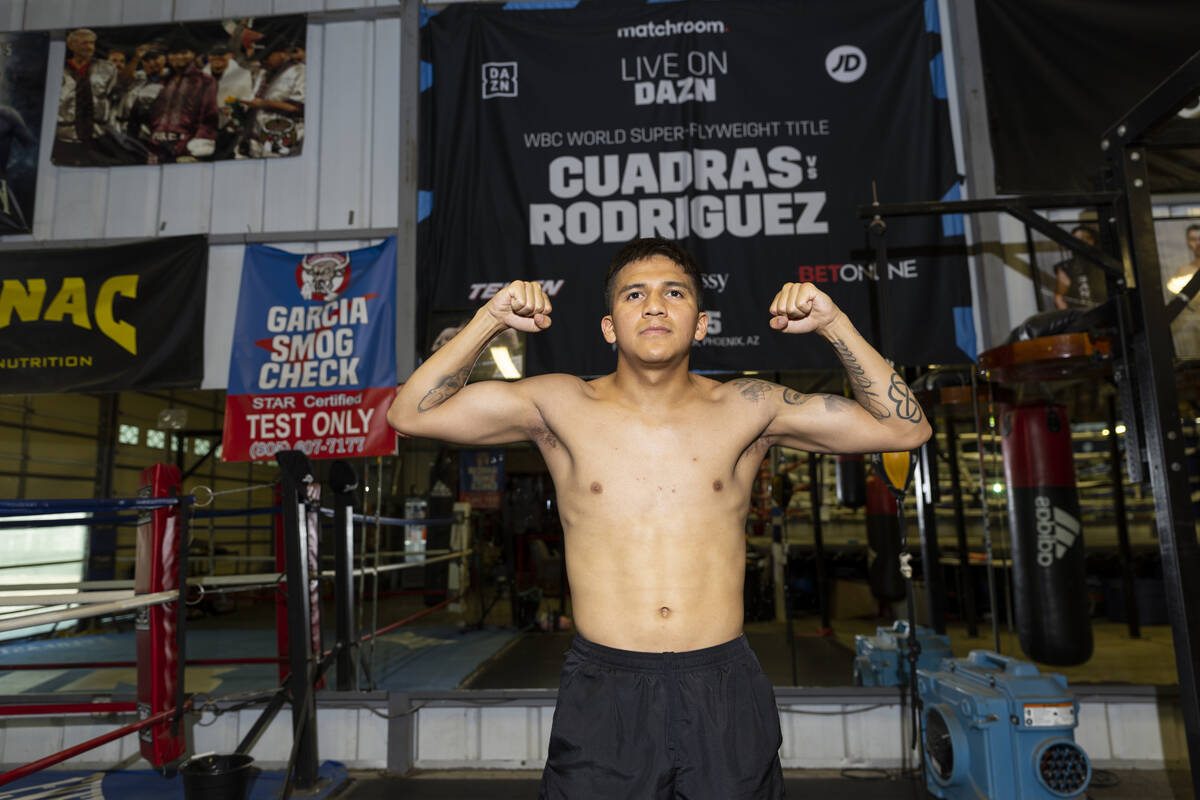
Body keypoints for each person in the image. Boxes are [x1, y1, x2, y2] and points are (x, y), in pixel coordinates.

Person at [387, 237, 931, 799]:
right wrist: (489, 320)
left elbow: (906, 429)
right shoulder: (558, 404)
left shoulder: (751, 406)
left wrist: (834, 322)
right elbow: (409, 413)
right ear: (608, 325)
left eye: (674, 293)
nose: (654, 306)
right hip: (605, 691)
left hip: (722, 687)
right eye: (634, 294)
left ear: (700, 324)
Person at [53, 28, 119, 165]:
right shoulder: (56, 68)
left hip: (97, 135)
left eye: (92, 43)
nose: (89, 47)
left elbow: (112, 98)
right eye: (84, 43)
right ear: (71, 46)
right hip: (66, 135)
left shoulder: (108, 68)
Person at [146, 40, 219, 163]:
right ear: (168, 57)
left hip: (186, 150)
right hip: (155, 148)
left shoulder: (205, 81)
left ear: (193, 54)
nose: (179, 57)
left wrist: (194, 151)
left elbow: (209, 118)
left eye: (184, 52)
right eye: (174, 53)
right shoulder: (161, 82)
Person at [240, 38, 304, 158]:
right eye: (260, 57)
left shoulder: (299, 72)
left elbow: (300, 108)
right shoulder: (263, 73)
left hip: (286, 141)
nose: (262, 61)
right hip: (257, 142)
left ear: (282, 53)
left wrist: (264, 104)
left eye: (266, 57)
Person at [1052, 225, 1106, 310]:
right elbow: (1059, 297)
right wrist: (1073, 321)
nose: (1081, 242)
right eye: (1077, 240)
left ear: (1092, 240)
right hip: (1085, 318)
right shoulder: (1067, 267)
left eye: (1085, 238)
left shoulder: (1106, 263)